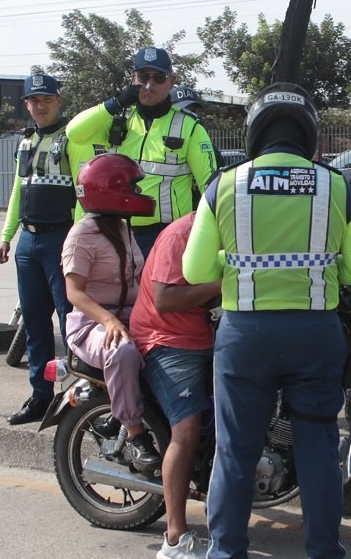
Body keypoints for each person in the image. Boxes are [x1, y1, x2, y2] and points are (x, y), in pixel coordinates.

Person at [182, 83, 351, 559]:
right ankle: (324, 551)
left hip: (245, 338)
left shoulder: (223, 185)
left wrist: (233, 259)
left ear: (254, 133)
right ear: (309, 134)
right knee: (318, 450)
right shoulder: (337, 186)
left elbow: (195, 272)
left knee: (235, 450)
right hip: (315, 335)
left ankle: (227, 552)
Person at [129, 211, 221, 559]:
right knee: (187, 427)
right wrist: (224, 283)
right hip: (166, 340)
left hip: (207, 334)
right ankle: (174, 538)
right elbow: (165, 299)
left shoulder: (234, 230)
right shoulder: (181, 234)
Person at [66, 47, 217, 257]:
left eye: (158, 77)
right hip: (116, 232)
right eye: (144, 76)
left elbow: (211, 188)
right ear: (134, 78)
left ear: (172, 81)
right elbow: (74, 133)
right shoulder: (119, 119)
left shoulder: (189, 126)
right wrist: (116, 103)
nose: (149, 84)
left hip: (166, 236)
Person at [62, 152, 161, 472]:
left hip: (130, 314)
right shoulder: (81, 235)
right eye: (132, 187)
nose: (138, 193)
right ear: (109, 189)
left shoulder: (122, 229)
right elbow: (74, 292)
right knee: (122, 351)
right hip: (91, 323)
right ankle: (136, 435)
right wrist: (109, 320)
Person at [0, 71, 78, 426]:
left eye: (47, 99)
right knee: (34, 322)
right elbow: (18, 190)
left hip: (61, 237)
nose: (40, 106)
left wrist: (80, 238)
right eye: (34, 100)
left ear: (59, 101)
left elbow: (82, 191)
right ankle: (40, 396)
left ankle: (78, 397)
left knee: (71, 321)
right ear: (26, 104)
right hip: (28, 242)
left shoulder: (73, 137)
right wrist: (6, 235)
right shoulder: (26, 141)